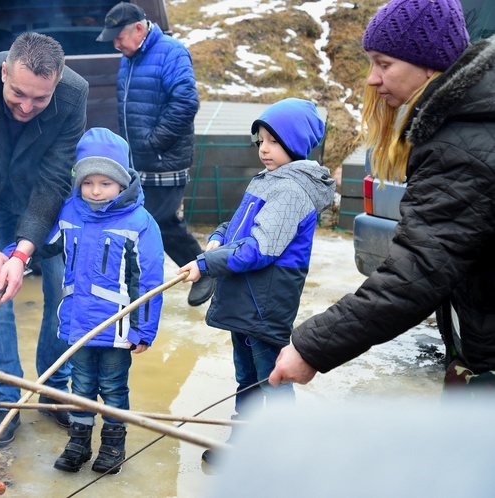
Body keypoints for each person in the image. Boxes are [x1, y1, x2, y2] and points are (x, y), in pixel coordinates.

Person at [269, 0, 495, 394]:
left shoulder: (462, 145)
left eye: (383, 64)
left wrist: (311, 347)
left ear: (430, 63)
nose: (372, 79)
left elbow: (416, 272)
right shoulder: (469, 125)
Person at [0, 31, 90, 445]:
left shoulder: (74, 91)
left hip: (47, 202)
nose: (27, 107)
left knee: (62, 290)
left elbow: (56, 177)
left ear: (57, 84)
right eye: (18, 95)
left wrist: (23, 252)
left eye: (40, 99)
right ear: (5, 72)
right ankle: (6, 403)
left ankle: (52, 389)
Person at [178, 98, 335, 463]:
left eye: (274, 141)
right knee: (247, 375)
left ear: (296, 143)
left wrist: (206, 263)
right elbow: (237, 227)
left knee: (272, 378)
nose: (264, 148)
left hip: (266, 302)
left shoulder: (292, 190)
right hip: (246, 299)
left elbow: (260, 249)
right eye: (260, 140)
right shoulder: (268, 180)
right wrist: (218, 236)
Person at [39, 128, 164, 474]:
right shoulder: (70, 213)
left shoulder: (139, 223)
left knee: (112, 386)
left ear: (121, 183)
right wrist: (12, 255)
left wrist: (145, 329)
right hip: (77, 323)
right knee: (80, 387)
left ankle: (112, 445)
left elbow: (150, 280)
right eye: (88, 182)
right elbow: (41, 243)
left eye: (105, 183)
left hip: (116, 329)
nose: (95, 190)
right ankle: (78, 443)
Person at [96, 2, 215, 307]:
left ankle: (205, 270)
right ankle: (134, 285)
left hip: (164, 160)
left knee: (160, 220)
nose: (115, 43)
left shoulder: (171, 52)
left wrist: (154, 142)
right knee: (138, 220)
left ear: (138, 28)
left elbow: (186, 102)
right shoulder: (130, 57)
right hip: (138, 162)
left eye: (119, 36)